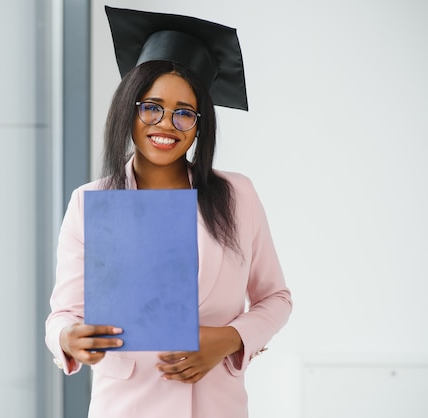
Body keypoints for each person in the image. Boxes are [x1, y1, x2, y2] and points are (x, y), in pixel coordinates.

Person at [45, 6, 292, 418]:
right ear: (130, 108)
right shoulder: (90, 201)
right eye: (151, 107)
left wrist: (231, 337)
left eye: (184, 113)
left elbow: (276, 298)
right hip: (126, 406)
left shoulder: (236, 195)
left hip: (216, 406)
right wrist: (69, 338)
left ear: (199, 124)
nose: (166, 124)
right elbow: (64, 315)